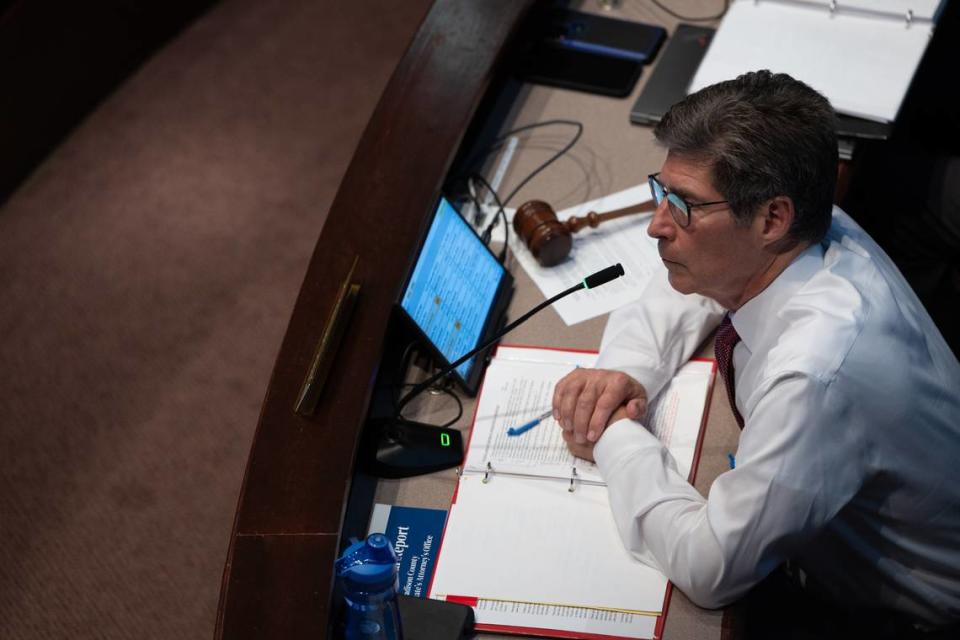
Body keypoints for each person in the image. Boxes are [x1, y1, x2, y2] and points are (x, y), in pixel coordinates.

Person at [552, 70, 960, 637]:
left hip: (898, 616)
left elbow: (710, 567)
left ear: (773, 217)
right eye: (661, 192)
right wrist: (624, 370)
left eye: (684, 206)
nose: (655, 226)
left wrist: (613, 435)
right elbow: (701, 281)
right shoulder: (808, 223)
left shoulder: (814, 375)